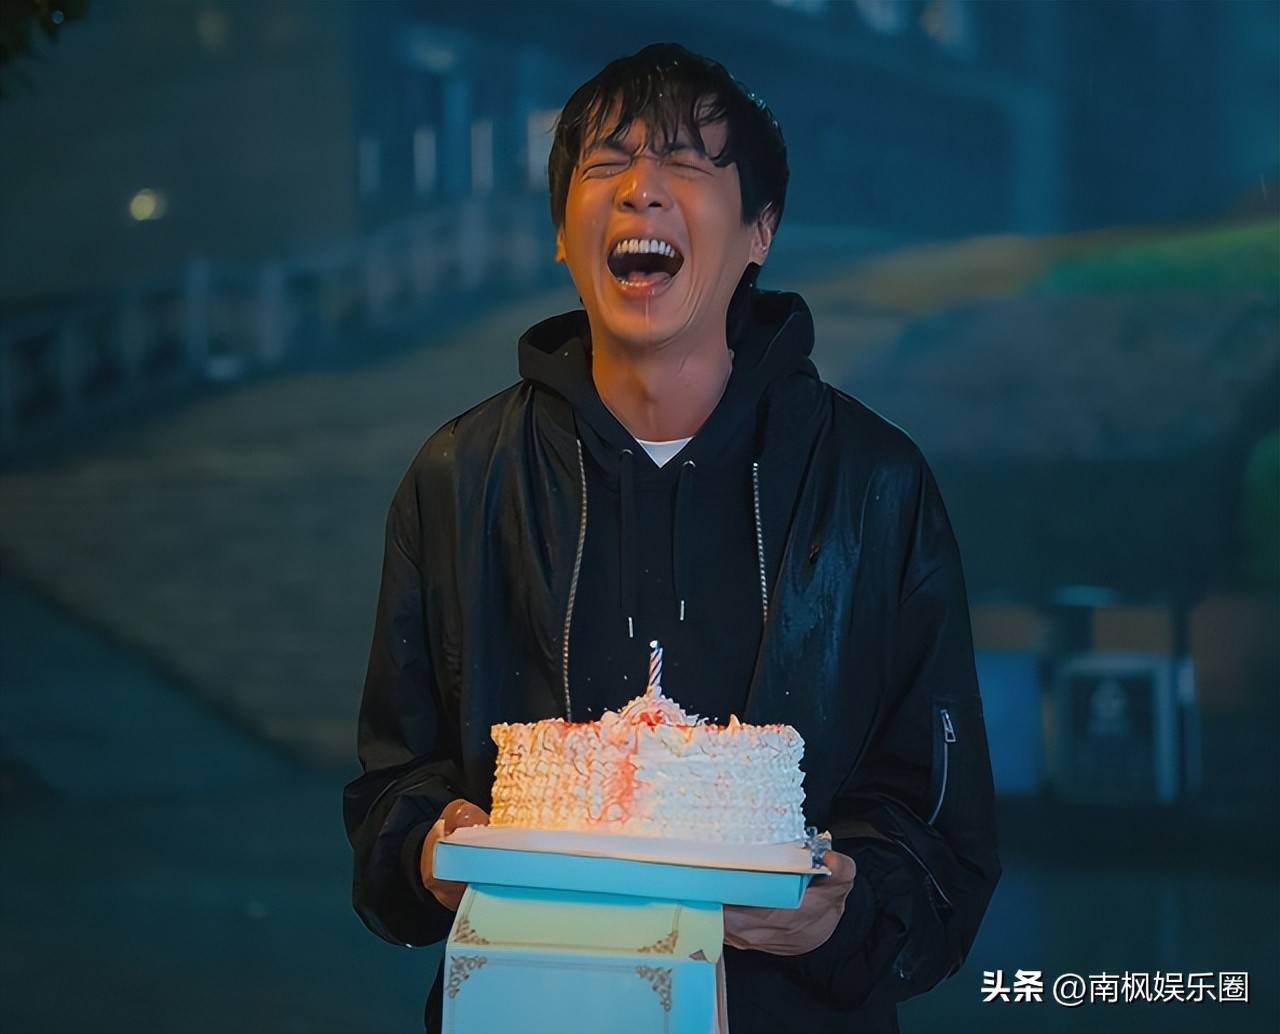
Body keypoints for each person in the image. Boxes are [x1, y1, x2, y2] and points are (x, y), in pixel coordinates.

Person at [343, 42, 1001, 1034]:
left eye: (685, 164)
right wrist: (428, 846)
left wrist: (848, 906)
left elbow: (942, 833)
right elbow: (391, 787)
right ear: (561, 231)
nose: (639, 191)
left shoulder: (872, 486)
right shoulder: (459, 478)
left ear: (760, 230)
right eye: (606, 164)